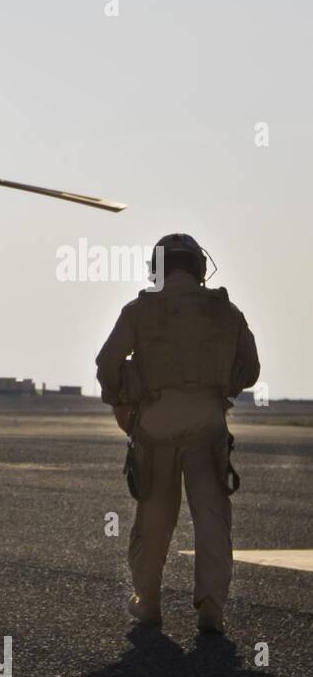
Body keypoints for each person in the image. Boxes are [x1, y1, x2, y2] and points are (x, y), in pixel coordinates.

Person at [95, 234, 260, 633]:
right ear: (198, 267)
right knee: (212, 518)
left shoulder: (139, 310)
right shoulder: (227, 312)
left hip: (155, 423)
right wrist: (220, 390)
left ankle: (148, 601)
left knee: (154, 516)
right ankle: (210, 609)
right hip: (207, 423)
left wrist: (120, 401)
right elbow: (250, 368)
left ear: (157, 268)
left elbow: (107, 361)